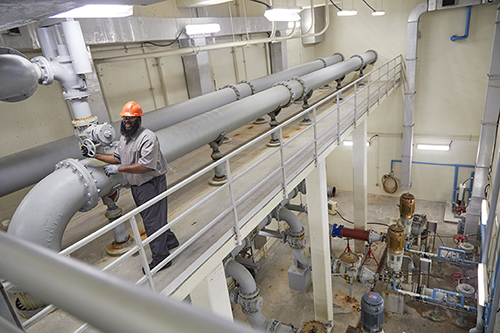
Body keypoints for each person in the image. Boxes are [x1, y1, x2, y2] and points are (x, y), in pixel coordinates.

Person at [83, 101, 179, 273]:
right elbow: (117, 157)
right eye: (125, 119)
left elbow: (145, 166)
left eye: (131, 119)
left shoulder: (147, 137)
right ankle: (170, 241)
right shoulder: (125, 138)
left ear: (139, 120)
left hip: (151, 183)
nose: (127, 122)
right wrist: (96, 155)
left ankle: (161, 259)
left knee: (151, 222)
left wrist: (118, 169)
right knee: (154, 217)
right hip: (137, 185)